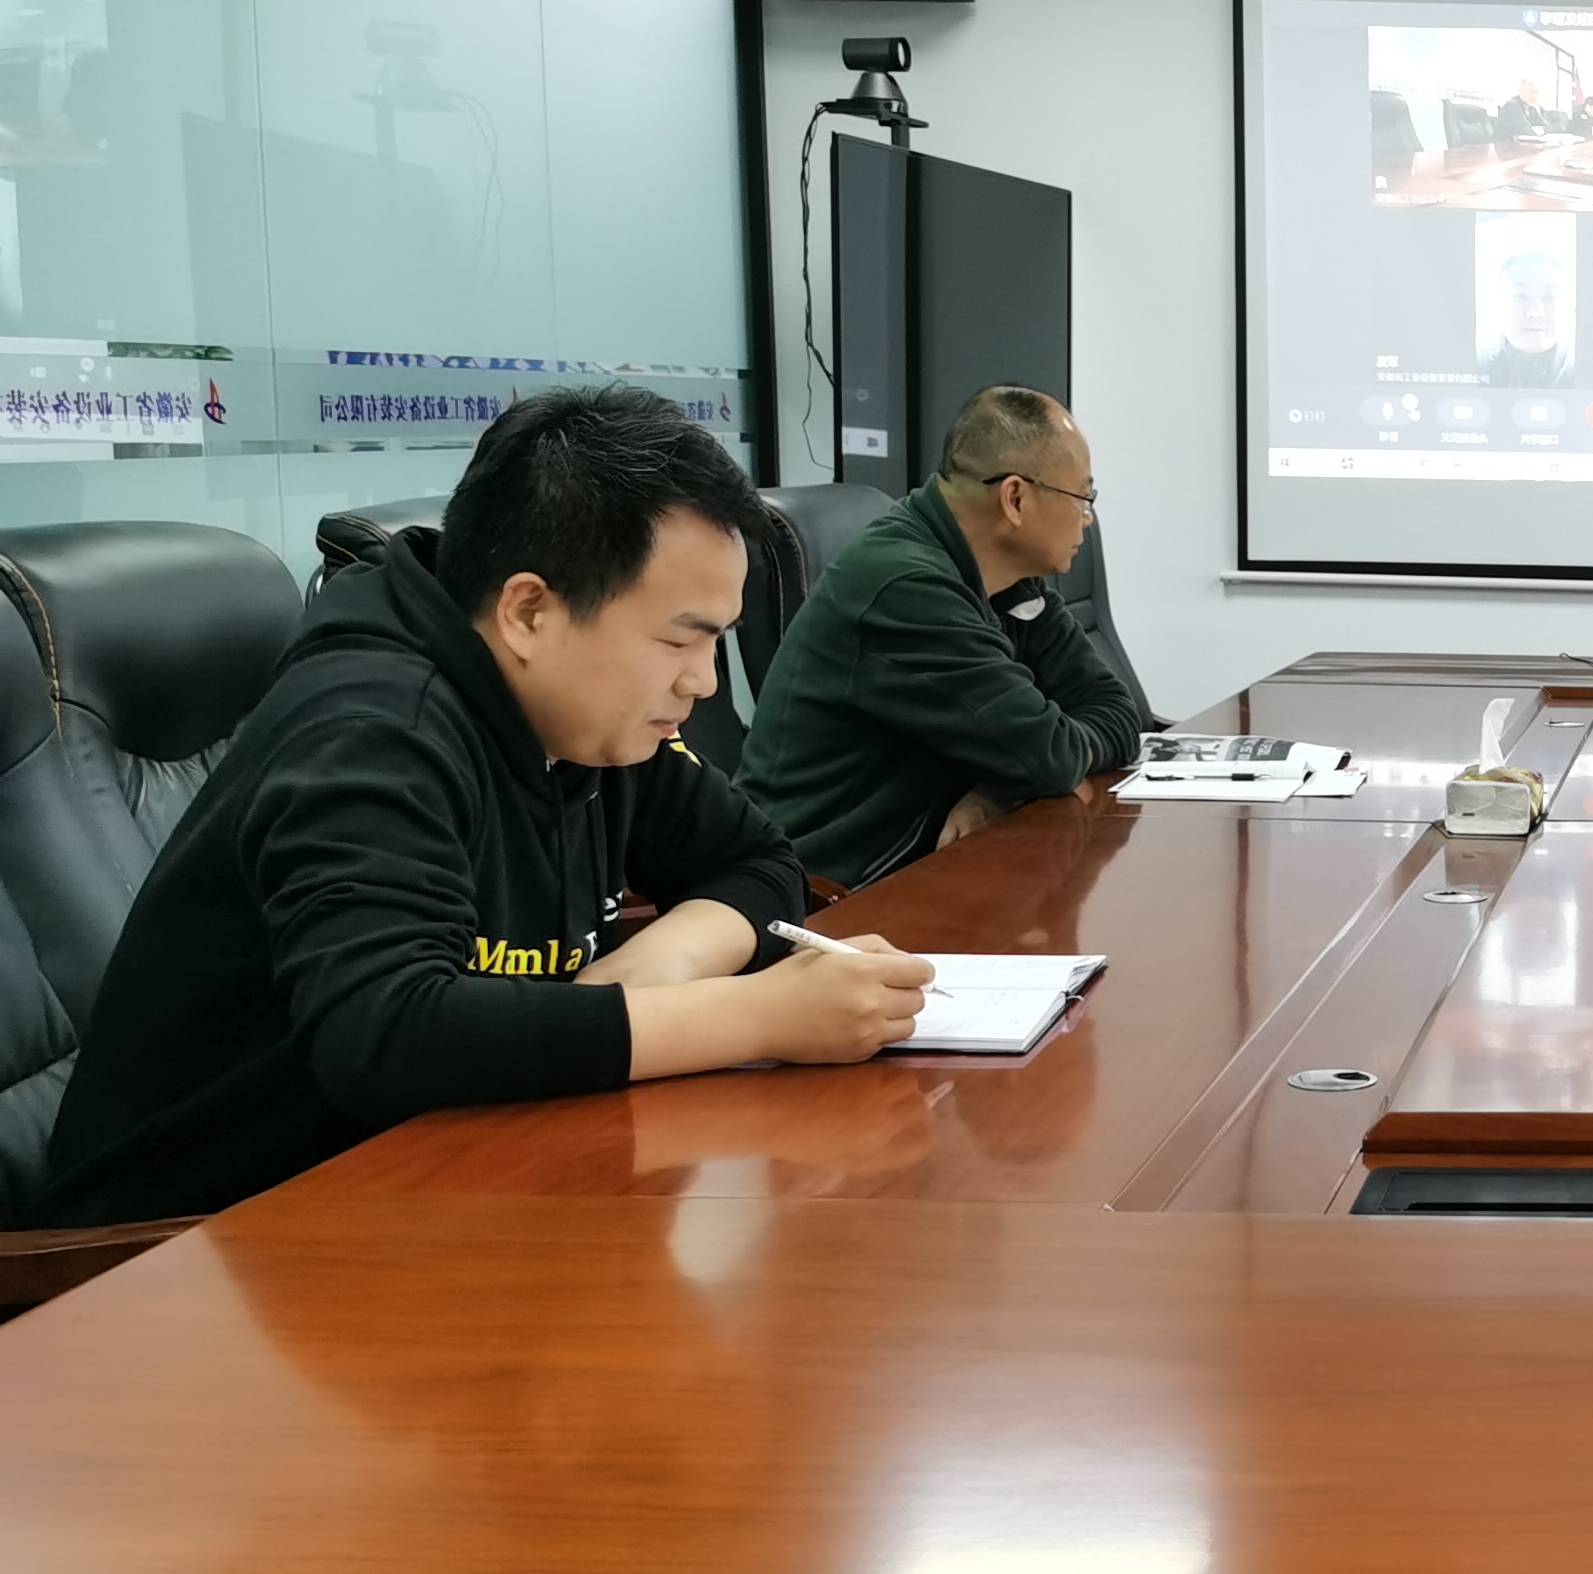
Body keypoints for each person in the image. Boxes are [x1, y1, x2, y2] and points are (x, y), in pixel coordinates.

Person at [37, 386, 932, 1225]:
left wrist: (654, 970)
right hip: (191, 1245)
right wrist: (760, 1016)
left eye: (717, 644)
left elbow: (758, 862)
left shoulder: (590, 715)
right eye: (678, 642)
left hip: (432, 1174)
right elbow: (384, 1032)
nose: (702, 683)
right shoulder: (372, 730)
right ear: (529, 612)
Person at [742, 386, 1145, 890]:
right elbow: (1048, 758)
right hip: (830, 893)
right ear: (1015, 498)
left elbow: (1117, 710)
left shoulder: (1007, 579)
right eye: (1083, 497)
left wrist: (1001, 785)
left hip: (925, 867)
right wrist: (1023, 773)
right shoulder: (907, 588)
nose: (1087, 517)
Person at [1481, 253, 1574, 390]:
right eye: (1521, 296)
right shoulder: (1473, 366)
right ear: (1498, 302)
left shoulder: (1586, 370)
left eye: (1550, 297)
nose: (1536, 312)